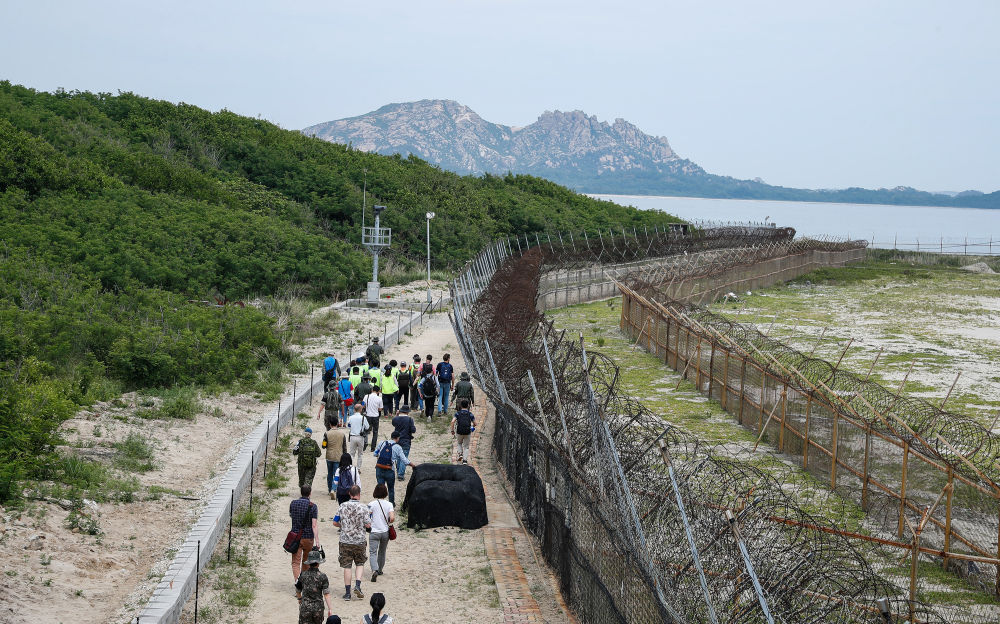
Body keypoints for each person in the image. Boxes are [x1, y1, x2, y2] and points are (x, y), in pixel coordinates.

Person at [332, 484, 370, 602]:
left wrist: (343, 526)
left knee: (347, 566)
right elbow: (368, 524)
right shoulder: (364, 507)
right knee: (360, 563)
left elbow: (335, 522)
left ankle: (347, 593)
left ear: (349, 494)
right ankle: (358, 585)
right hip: (359, 540)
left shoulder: (342, 506)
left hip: (345, 540)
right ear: (359, 494)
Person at [372, 431, 416, 505]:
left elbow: (375, 454)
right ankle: (391, 504)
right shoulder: (398, 447)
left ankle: (380, 504)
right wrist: (413, 465)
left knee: (380, 487)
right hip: (389, 470)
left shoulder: (382, 443)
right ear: (398, 438)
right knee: (391, 489)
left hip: (379, 468)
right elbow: (404, 460)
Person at [289, 485, 319, 582]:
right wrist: (317, 541)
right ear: (310, 493)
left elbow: (291, 515)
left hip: (295, 537)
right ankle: (304, 583)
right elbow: (314, 525)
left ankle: (298, 583)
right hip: (308, 537)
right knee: (306, 562)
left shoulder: (293, 503)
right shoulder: (313, 507)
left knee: (295, 562)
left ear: (301, 492)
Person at [296, 549, 333, 623]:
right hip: (318, 608)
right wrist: (330, 608)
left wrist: (300, 599)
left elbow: (298, 589)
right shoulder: (323, 576)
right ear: (318, 563)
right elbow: (326, 594)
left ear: (309, 563)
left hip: (305, 607)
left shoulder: (303, 575)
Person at [367, 484, 394, 582]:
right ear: (386, 493)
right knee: (382, 552)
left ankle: (374, 570)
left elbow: (366, 517)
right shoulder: (389, 504)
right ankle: (380, 570)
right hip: (385, 532)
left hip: (374, 531)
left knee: (373, 552)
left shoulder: (371, 504)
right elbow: (392, 518)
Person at [389, 405, 417, 481]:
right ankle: (400, 475)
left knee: (398, 457)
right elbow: (413, 430)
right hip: (406, 440)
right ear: (407, 412)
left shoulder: (396, 419)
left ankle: (399, 472)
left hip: (397, 440)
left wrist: (397, 414)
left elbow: (393, 422)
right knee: (404, 457)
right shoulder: (409, 419)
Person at [323, 423, 348, 499]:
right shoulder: (342, 434)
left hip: (329, 456)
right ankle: (334, 489)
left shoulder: (326, 433)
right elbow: (344, 447)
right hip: (338, 456)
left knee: (329, 473)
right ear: (337, 424)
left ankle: (329, 489)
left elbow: (324, 445)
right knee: (336, 474)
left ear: (330, 425)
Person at [450, 400, 476, 465]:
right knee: (466, 446)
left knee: (459, 443)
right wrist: (472, 427)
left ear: (461, 406)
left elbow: (452, 422)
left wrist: (452, 430)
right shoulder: (470, 414)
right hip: (467, 431)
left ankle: (460, 453)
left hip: (459, 431)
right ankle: (464, 461)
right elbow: (475, 423)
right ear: (468, 405)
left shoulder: (458, 413)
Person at [365, 385, 384, 452]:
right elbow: (380, 409)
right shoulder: (379, 398)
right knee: (375, 432)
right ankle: (373, 447)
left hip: (368, 415)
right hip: (375, 416)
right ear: (378, 391)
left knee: (366, 431)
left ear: (372, 390)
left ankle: (365, 444)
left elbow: (364, 405)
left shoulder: (366, 396)